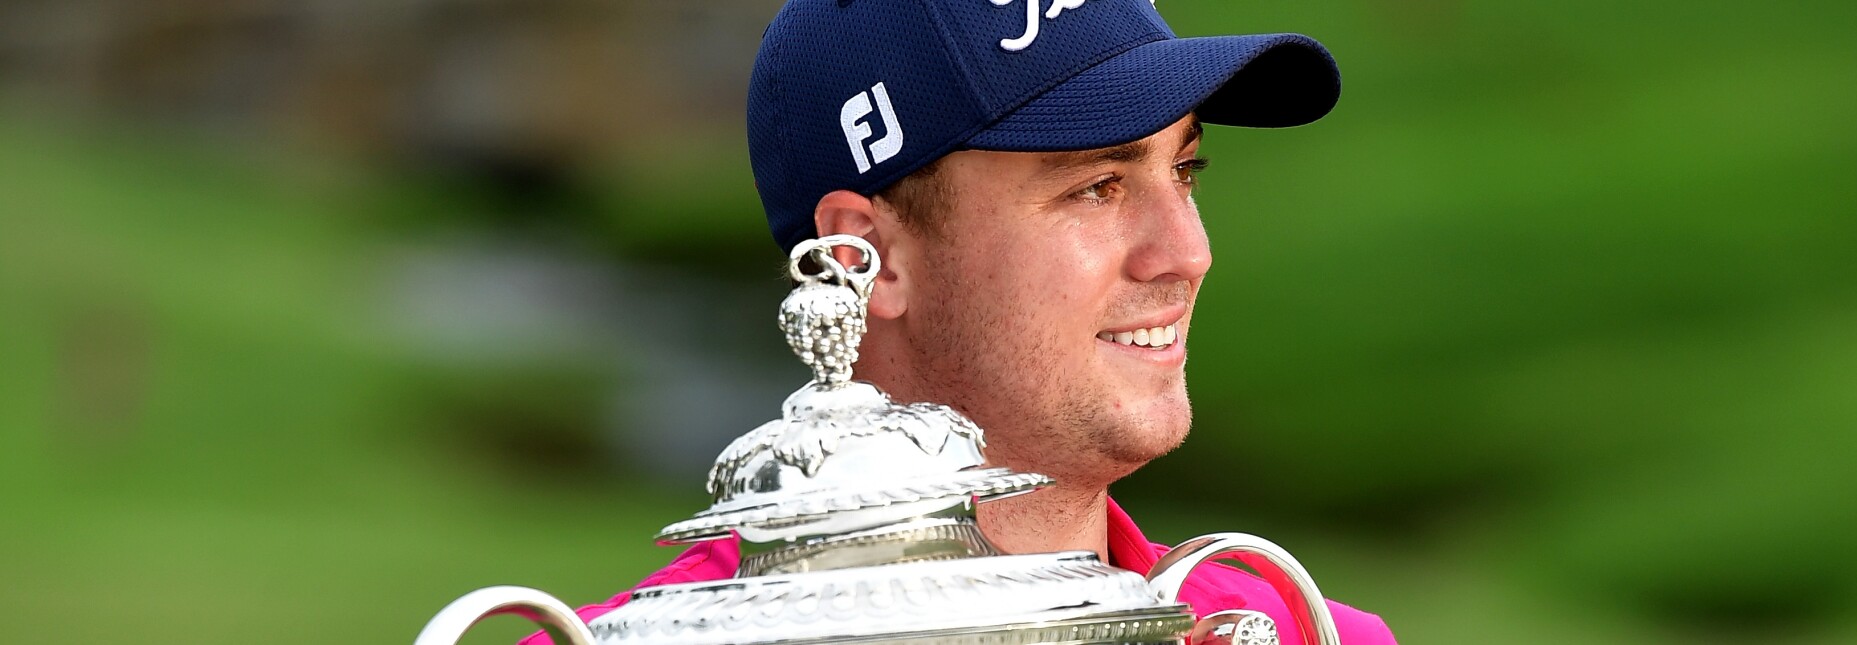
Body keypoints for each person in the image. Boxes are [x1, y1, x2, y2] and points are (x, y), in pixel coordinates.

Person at [526, 0, 1395, 643]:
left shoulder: (1306, 626)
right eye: (1097, 187)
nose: (1186, 251)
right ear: (862, 256)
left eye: (1187, 168)